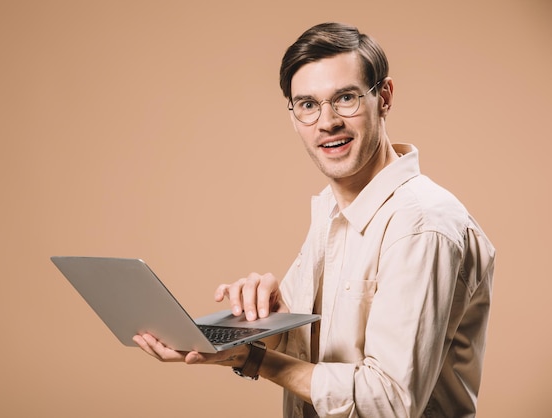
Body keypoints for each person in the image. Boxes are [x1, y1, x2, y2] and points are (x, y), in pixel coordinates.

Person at [134, 22, 495, 417]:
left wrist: (257, 362)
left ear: (384, 97)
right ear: (293, 116)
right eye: (308, 104)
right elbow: (309, 349)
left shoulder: (422, 225)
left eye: (345, 98)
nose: (327, 122)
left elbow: (390, 402)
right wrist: (268, 315)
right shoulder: (333, 209)